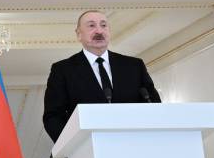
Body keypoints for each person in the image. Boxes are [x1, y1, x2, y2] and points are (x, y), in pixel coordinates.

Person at [42, 10, 160, 142]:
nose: (99, 31)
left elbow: (154, 105)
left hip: (136, 143)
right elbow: (53, 117)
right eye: (91, 26)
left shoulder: (134, 66)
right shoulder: (62, 70)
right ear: (79, 34)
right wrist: (73, 145)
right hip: (87, 148)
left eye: (103, 25)